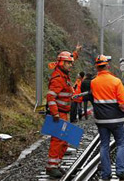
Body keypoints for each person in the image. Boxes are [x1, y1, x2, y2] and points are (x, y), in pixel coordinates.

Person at [45, 45, 81, 179]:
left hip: (63, 113)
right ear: (61, 63)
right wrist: (55, 114)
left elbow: (69, 59)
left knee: (64, 140)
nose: (71, 65)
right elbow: (50, 97)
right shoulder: (58, 78)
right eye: (68, 63)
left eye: (71, 63)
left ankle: (57, 164)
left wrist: (75, 53)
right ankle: (51, 167)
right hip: (59, 114)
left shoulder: (63, 75)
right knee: (58, 140)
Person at [90, 55, 124, 180]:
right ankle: (120, 171)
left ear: (97, 68)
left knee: (104, 145)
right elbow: (123, 101)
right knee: (121, 143)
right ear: (107, 66)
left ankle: (106, 174)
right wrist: (123, 108)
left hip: (101, 120)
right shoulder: (116, 81)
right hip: (116, 120)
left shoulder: (93, 82)